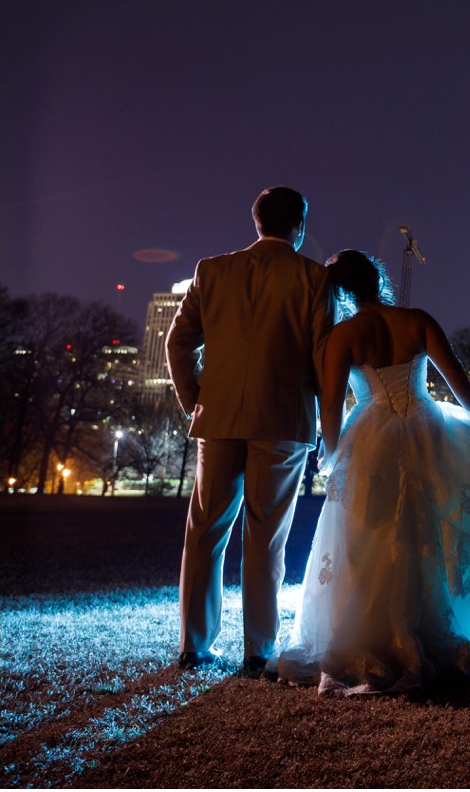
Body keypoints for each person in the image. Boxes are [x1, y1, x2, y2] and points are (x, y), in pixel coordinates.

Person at [278, 250, 470, 694]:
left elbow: (330, 403)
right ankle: (427, 626)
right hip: (428, 430)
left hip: (371, 436)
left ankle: (373, 632)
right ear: (376, 279)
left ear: (339, 292)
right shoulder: (418, 319)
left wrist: (331, 452)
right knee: (430, 533)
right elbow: (457, 377)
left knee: (369, 536)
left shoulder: (343, 335)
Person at [167, 186, 334, 674]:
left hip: (217, 418)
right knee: (266, 538)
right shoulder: (313, 278)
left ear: (255, 221)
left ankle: (194, 645)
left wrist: (195, 400)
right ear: (300, 225)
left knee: (204, 533)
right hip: (282, 420)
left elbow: (178, 343)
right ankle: (258, 650)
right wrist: (328, 423)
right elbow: (324, 356)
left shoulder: (211, 270)